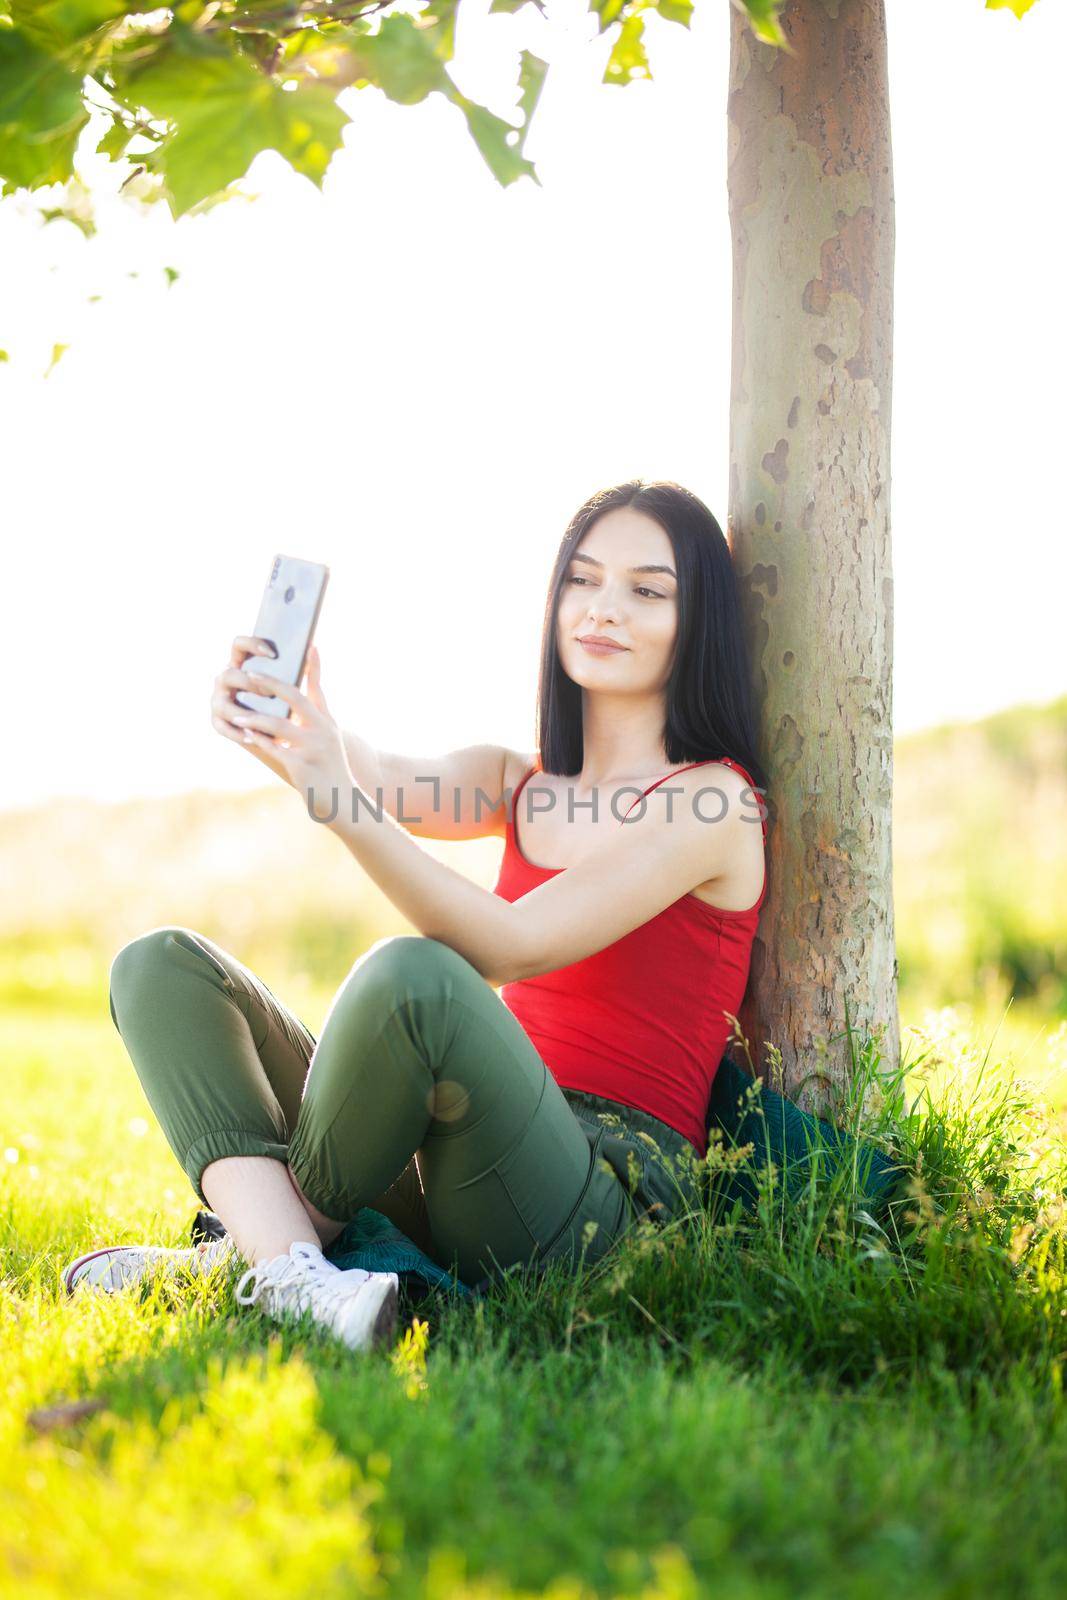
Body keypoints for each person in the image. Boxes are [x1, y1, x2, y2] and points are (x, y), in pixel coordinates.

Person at [62, 479, 769, 1353]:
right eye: (581, 581)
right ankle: (290, 1273)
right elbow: (379, 772)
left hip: (596, 1191)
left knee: (414, 978)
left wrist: (331, 792)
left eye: (646, 590)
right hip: (456, 1157)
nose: (602, 609)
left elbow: (510, 946)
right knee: (158, 965)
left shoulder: (709, 805)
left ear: (697, 621)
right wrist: (290, 719)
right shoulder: (519, 781)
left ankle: (249, 1255)